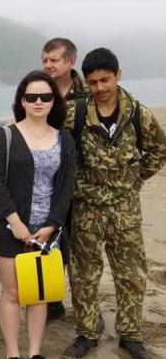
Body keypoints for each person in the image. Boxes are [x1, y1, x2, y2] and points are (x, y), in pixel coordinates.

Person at [63, 48, 166, 359]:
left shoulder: (138, 114)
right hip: (86, 210)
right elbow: (60, 154)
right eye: (93, 82)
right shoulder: (75, 114)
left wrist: (134, 180)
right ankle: (87, 334)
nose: (99, 88)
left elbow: (159, 150)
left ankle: (130, 335)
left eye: (105, 80)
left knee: (131, 275)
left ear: (118, 75)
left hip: (125, 212)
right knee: (83, 275)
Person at [0, 71, 76, 359]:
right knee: (12, 294)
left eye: (45, 97)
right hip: (10, 229)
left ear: (54, 101)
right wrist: (15, 221)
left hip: (48, 233)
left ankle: (34, 352)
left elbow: (67, 186)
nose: (39, 102)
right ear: (22, 101)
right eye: (32, 97)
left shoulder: (64, 139)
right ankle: (13, 353)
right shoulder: (5, 135)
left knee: (39, 294)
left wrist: (52, 224)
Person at [41, 37, 89, 322]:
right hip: (48, 185)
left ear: (71, 61)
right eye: (45, 60)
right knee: (49, 243)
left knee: (82, 252)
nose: (48, 65)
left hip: (82, 187)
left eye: (54, 60)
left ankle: (85, 308)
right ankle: (53, 301)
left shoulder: (88, 94)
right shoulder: (39, 92)